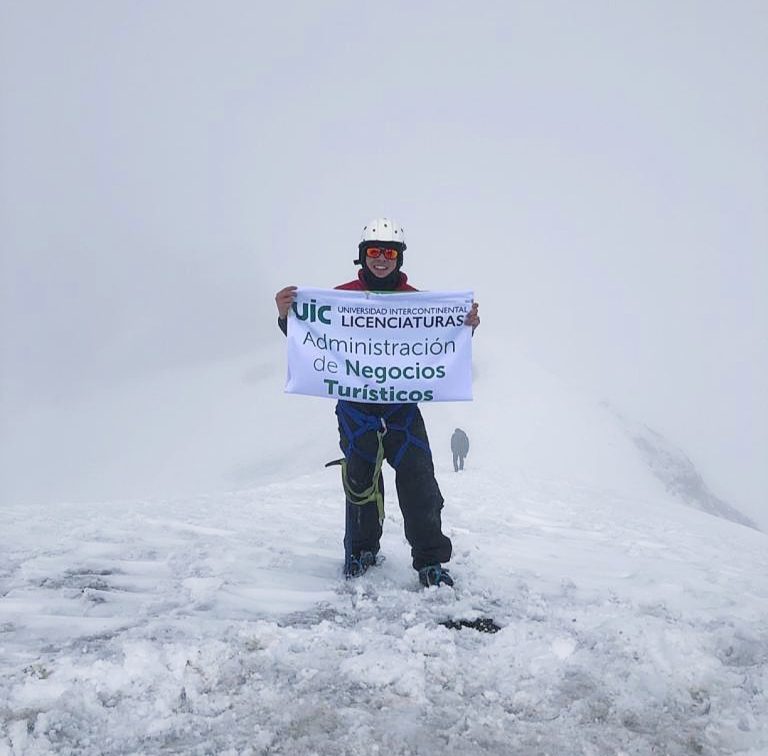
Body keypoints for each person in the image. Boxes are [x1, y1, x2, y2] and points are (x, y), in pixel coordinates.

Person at [275, 217, 480, 587]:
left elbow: (441, 338)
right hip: (356, 406)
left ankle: (430, 562)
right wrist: (285, 314)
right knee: (360, 482)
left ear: (399, 258)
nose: (381, 259)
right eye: (374, 252)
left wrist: (464, 325)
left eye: (389, 252)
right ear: (362, 256)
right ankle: (361, 551)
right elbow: (308, 338)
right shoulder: (341, 296)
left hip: (401, 407)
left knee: (420, 482)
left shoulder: (417, 301)